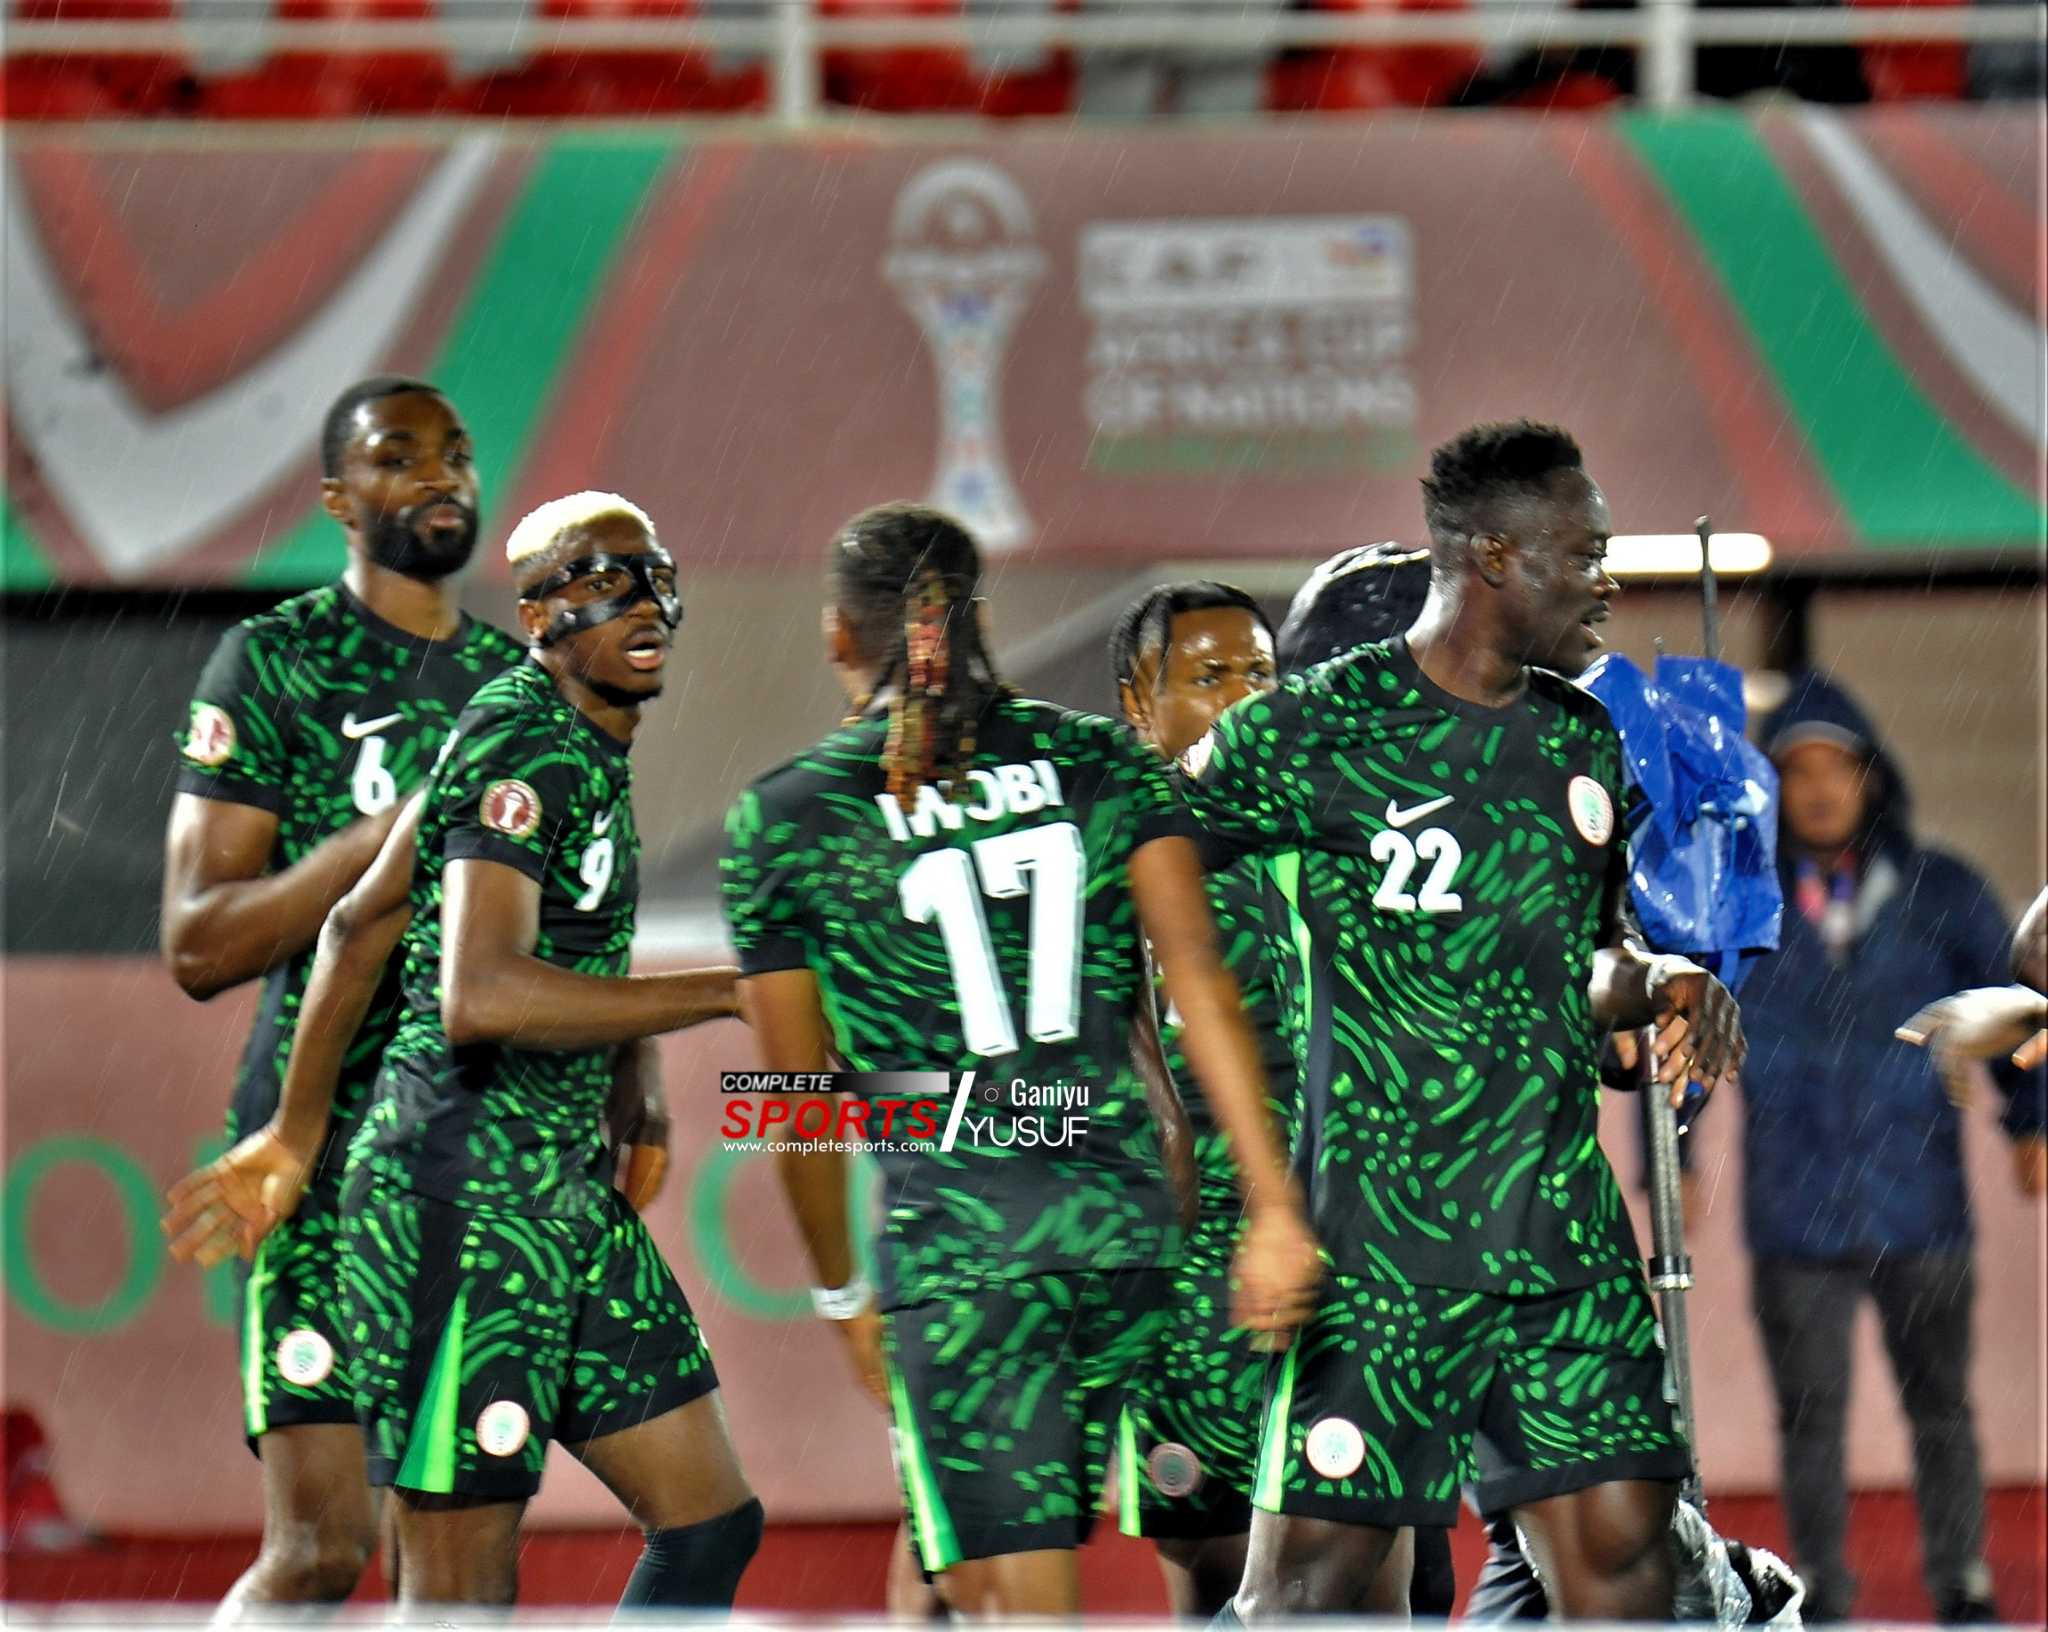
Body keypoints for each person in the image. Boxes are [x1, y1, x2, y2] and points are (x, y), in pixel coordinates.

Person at [720, 503, 1321, 1619]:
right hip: (1127, 1245)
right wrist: (1274, 1209)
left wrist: (844, 1284)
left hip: (968, 1263)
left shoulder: (791, 817)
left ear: (840, 639)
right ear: (976, 620)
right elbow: (1196, 980)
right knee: (1018, 1556)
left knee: (1002, 1595)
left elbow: (794, 1103)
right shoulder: (1098, 760)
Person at [1189, 421, 1744, 1623]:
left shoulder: (1578, 739)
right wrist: (1264, 1199)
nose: (1607, 579)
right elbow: (1159, 898)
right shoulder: (1303, 735)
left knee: (1631, 1580)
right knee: (1310, 1600)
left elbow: (1586, 959)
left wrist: (1657, 984)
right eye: (1582, 553)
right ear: (1491, 556)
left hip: (1558, 1250)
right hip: (1376, 1257)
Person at [174, 492, 761, 1608]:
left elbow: (355, 924)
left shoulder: (563, 734)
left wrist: (296, 1137)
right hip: (457, 1207)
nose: (638, 601)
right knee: (454, 1598)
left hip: (558, 1199)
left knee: (710, 1525)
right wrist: (724, 995)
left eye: (650, 572)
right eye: (595, 581)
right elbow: (478, 995)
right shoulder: (518, 735)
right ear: (537, 615)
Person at [159, 375, 523, 1611]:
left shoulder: (518, 688)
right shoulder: (273, 663)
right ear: (334, 499)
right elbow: (198, 941)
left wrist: (637, 1086)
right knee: (319, 1549)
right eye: (399, 456)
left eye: (457, 451)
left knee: (460, 1567)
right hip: (316, 1157)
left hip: (482, 1160)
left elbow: (575, 914)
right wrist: (355, 858)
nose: (439, 474)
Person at [1739, 672, 2043, 1624]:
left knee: (1942, 1405)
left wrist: (2034, 1117)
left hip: (1920, 1198)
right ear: (1774, 786)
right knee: (1808, 1417)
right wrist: (1670, 1126)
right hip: (1792, 1200)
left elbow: (2016, 1002)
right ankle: (1819, 1591)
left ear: (1874, 777)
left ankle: (1962, 1579)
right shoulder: (1742, 900)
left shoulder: (1939, 888)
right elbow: (1686, 1015)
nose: (1821, 789)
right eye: (1798, 771)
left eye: (1839, 768)